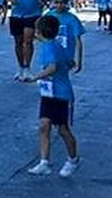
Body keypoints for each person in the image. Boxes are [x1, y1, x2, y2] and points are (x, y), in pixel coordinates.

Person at [29, 12, 80, 176]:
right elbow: (70, 62)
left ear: (40, 32)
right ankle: (44, 161)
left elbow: (52, 68)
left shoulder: (50, 47)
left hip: (61, 94)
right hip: (48, 93)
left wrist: (34, 77)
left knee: (63, 129)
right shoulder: (55, 45)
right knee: (44, 125)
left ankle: (73, 159)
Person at [6, 0, 49, 79]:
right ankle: (20, 67)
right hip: (17, 13)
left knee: (28, 40)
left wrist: (45, 1)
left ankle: (27, 68)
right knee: (18, 41)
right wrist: (10, 0)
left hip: (33, 13)